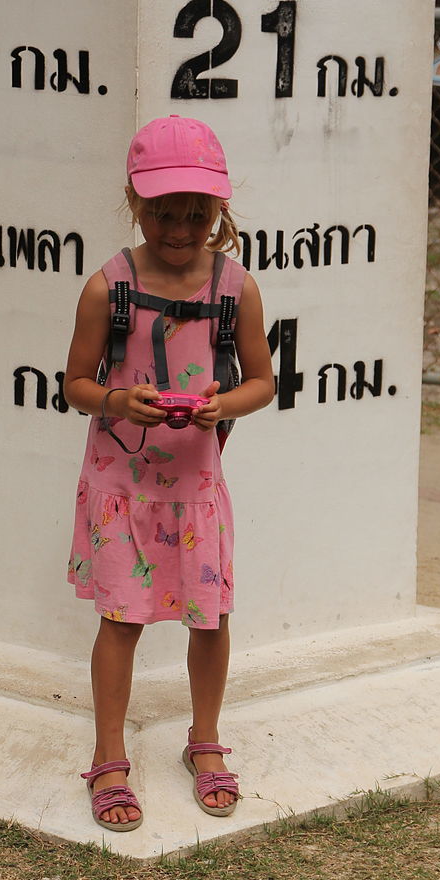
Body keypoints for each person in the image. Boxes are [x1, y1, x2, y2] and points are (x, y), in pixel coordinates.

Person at [64, 115, 275, 831]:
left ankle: (204, 741)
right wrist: (118, 401)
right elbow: (75, 384)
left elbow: (263, 382)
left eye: (194, 214)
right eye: (162, 214)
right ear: (135, 201)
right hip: (123, 491)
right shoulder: (109, 288)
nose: (179, 229)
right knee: (120, 621)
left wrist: (222, 404)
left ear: (217, 209)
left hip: (195, 491)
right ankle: (109, 755)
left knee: (209, 621)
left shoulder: (235, 289)